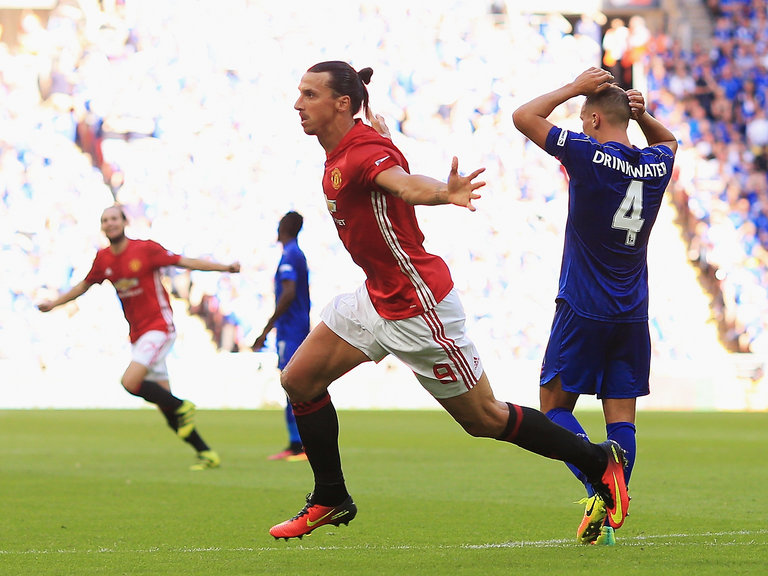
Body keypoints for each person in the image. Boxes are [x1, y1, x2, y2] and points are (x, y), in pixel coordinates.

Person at [267, 60, 630, 541]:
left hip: (419, 307)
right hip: (376, 296)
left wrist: (443, 192)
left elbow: (403, 183)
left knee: (485, 419)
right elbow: (387, 162)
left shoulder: (361, 153)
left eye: (309, 95)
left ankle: (598, 459)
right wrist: (372, 115)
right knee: (299, 379)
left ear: (341, 104)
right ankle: (331, 496)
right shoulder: (354, 142)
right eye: (300, 93)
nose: (298, 104)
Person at [512, 67, 678, 545]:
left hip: (584, 304)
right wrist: (643, 117)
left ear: (594, 119)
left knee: (553, 407)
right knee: (620, 415)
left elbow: (524, 117)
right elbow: (669, 141)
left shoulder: (589, 154)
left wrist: (573, 88)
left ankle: (600, 485)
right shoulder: (657, 164)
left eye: (585, 118)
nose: (582, 125)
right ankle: (611, 494)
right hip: (633, 309)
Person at [38, 205, 241, 470]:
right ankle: (205, 453)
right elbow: (83, 286)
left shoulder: (145, 249)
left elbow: (184, 261)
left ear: (124, 222)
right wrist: (54, 304)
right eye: (104, 220)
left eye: (114, 218)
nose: (109, 223)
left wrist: (224, 267)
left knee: (131, 381)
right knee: (165, 406)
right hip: (138, 334)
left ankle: (183, 405)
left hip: (159, 326)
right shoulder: (103, 259)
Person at [251, 211, 311, 462]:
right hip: (293, 328)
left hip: (292, 329)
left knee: (294, 384)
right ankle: (297, 443)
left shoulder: (290, 255)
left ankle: (302, 444)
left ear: (284, 227)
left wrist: (266, 329)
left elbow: (288, 292)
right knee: (293, 384)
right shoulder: (295, 254)